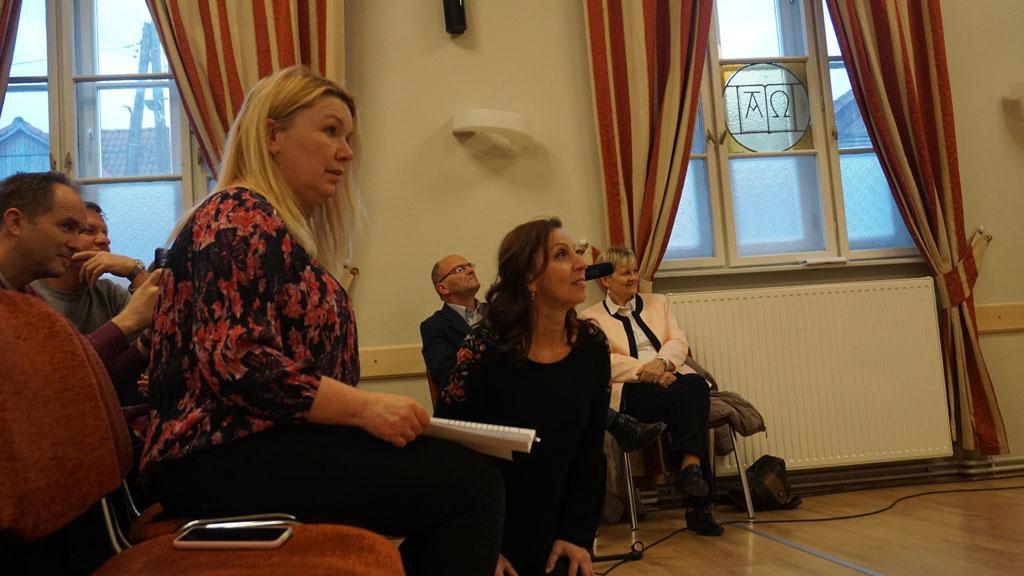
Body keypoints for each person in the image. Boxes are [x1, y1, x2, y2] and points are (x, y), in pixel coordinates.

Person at [139, 66, 504, 576]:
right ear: (273, 135)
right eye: (330, 130)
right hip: (216, 453)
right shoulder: (240, 212)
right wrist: (365, 409)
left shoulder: (269, 225)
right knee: (472, 485)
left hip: (248, 446)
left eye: (348, 138)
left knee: (460, 473)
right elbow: (236, 360)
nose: (347, 152)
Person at [436, 218, 609, 576]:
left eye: (576, 252)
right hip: (486, 530)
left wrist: (576, 534)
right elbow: (448, 454)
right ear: (529, 279)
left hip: (556, 533)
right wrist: (480, 545)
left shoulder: (592, 344)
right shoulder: (484, 348)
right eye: (562, 255)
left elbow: (590, 452)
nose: (581, 263)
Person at [422, 253, 665, 452]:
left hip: (526, 392)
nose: (469, 270)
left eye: (469, 265)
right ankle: (618, 424)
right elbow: (446, 373)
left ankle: (610, 438)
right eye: (459, 269)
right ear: (442, 287)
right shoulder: (434, 326)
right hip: (484, 404)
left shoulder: (499, 311)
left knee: (565, 373)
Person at [579, 245, 723, 536]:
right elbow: (603, 362)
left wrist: (662, 363)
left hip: (672, 378)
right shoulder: (590, 318)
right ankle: (698, 504)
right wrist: (649, 373)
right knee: (689, 397)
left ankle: (690, 467)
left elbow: (678, 340)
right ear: (605, 280)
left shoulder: (658, 302)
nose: (633, 278)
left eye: (635, 271)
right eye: (625, 273)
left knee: (694, 385)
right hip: (631, 390)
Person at [0, 171, 161, 399]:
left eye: (79, 231)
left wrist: (145, 340)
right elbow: (51, 380)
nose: (77, 244)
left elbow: (86, 380)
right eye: (66, 226)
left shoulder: (28, 298)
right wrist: (128, 321)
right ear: (16, 222)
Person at [32, 201, 148, 335]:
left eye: (105, 233)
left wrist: (135, 271)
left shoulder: (109, 293)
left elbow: (160, 322)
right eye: (88, 231)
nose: (105, 240)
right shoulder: (30, 293)